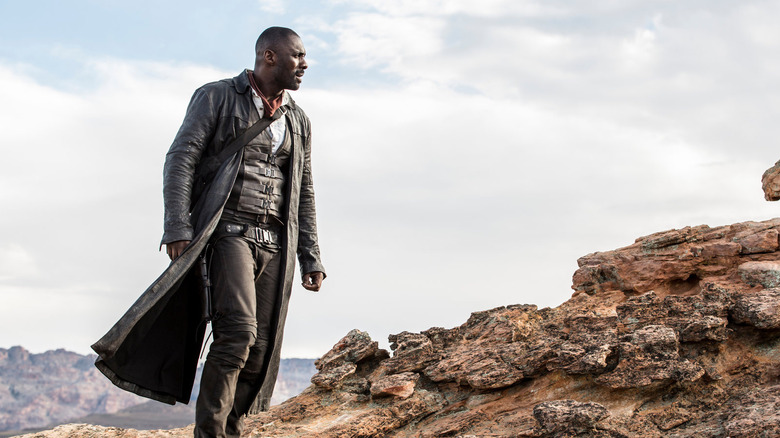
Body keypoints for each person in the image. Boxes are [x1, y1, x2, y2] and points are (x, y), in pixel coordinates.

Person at [91, 27, 325, 438]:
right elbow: (180, 159)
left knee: (259, 350)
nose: (304, 65)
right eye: (298, 56)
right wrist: (177, 226)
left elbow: (304, 189)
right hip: (227, 232)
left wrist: (311, 255)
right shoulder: (217, 96)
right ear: (269, 56)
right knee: (237, 332)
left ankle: (230, 431)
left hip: (276, 242)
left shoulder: (298, 119)